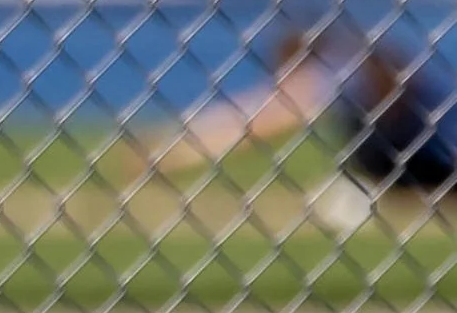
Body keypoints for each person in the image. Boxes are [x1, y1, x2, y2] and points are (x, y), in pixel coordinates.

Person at [139, 23, 457, 224]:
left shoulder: (334, 68)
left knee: (368, 149)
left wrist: (173, 154)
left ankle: (382, 195)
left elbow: (253, 123)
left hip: (434, 152)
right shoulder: (350, 60)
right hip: (424, 152)